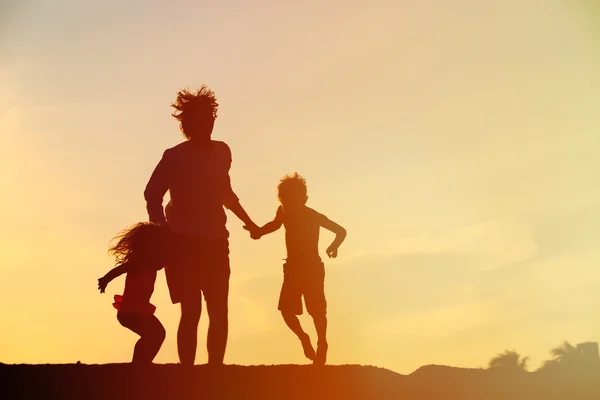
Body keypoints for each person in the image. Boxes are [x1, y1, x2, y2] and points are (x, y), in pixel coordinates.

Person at [144, 85, 258, 365]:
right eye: (199, 118)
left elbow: (225, 192)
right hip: (182, 243)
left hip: (217, 241)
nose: (207, 123)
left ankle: (214, 371)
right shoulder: (173, 156)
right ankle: (188, 375)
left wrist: (249, 222)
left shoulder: (222, 152)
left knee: (219, 309)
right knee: (191, 309)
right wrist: (163, 232)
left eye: (209, 117)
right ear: (187, 124)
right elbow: (152, 194)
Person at [246, 172, 347, 365]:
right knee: (285, 310)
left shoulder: (313, 216)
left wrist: (333, 246)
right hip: (292, 269)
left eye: (292, 200)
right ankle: (303, 337)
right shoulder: (283, 211)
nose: (288, 205)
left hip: (312, 269)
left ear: (304, 199)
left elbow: (341, 231)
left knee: (316, 311)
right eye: (284, 200)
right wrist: (258, 231)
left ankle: (322, 344)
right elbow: (275, 225)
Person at [97, 222, 171, 364]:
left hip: (137, 310)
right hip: (131, 312)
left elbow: (162, 262)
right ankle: (138, 364)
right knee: (155, 334)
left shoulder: (152, 262)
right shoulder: (139, 260)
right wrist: (106, 279)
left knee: (155, 335)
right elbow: (121, 269)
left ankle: (140, 363)